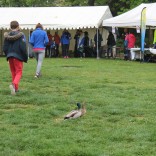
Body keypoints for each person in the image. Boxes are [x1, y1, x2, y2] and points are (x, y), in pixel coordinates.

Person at [3, 20, 28, 95]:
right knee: (19, 71)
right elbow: (23, 47)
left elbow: (5, 48)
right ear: (18, 26)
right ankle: (14, 84)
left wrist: (7, 55)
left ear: (10, 27)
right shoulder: (21, 35)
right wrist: (25, 57)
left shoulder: (7, 36)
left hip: (10, 56)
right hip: (18, 56)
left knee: (13, 72)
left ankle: (15, 89)